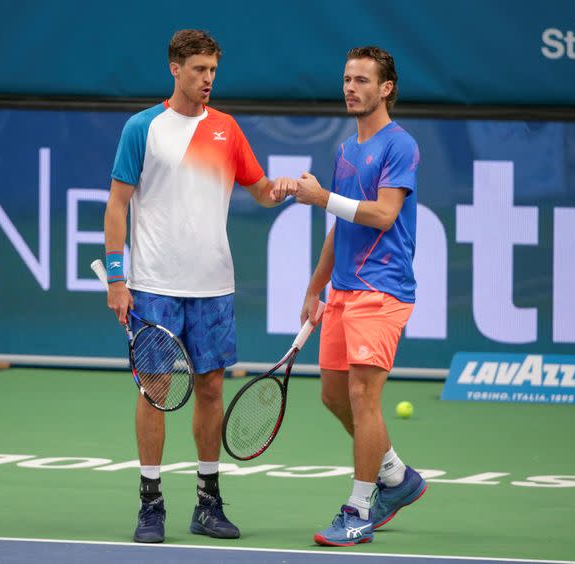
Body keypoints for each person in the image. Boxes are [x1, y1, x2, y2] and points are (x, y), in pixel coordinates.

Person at [103, 29, 295, 544]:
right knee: (157, 391)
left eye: (213, 70)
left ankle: (208, 502)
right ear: (175, 68)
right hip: (153, 286)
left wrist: (288, 190)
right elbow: (118, 205)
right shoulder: (142, 128)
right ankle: (150, 503)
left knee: (211, 387)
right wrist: (117, 279)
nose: (207, 79)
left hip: (214, 286)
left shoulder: (227, 130)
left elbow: (260, 192)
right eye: (198, 70)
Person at [286, 46, 427, 547]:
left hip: (383, 290)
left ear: (385, 88)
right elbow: (339, 226)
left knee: (365, 397)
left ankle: (359, 508)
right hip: (343, 291)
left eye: (362, 80)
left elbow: (384, 214)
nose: (351, 88)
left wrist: (322, 195)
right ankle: (396, 475)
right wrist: (313, 285)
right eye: (347, 79)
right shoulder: (346, 151)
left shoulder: (400, 146)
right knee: (332, 394)